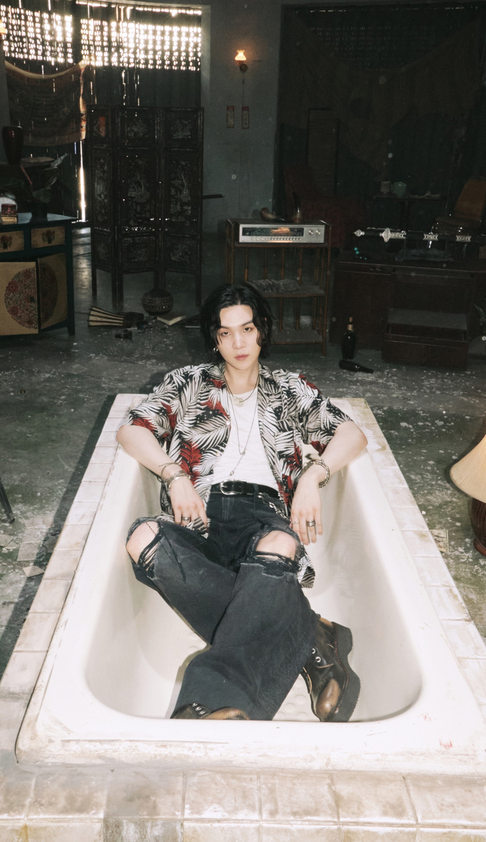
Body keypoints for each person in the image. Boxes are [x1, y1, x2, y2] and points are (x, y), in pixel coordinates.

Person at [117, 284, 367, 722]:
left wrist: (313, 476)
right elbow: (132, 430)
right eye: (225, 333)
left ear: (262, 330)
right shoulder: (188, 382)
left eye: (247, 329)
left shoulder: (288, 388)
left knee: (279, 544)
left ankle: (209, 701)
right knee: (142, 538)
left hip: (263, 515)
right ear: (214, 339)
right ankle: (311, 635)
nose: (238, 343)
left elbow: (352, 434)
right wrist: (174, 475)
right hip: (199, 514)